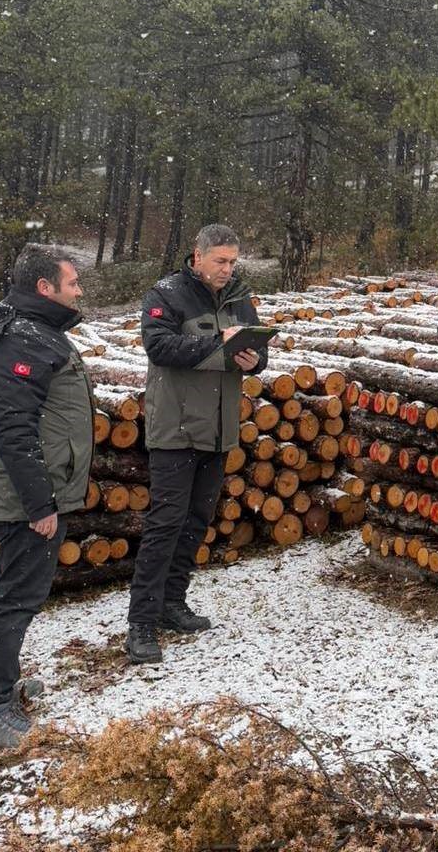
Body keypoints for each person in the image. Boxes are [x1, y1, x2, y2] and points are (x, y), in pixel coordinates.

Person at [0, 248, 93, 747]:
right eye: (72, 282)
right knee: (17, 597)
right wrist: (40, 504)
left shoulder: (34, 332)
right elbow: (15, 432)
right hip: (28, 497)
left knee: (5, 591)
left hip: (32, 490)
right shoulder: (21, 338)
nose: (78, 290)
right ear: (45, 287)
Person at [126, 224, 268, 664]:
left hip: (220, 427)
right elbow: (159, 347)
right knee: (164, 524)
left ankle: (172, 604)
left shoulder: (239, 296)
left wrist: (255, 358)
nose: (227, 269)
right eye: (220, 261)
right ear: (198, 256)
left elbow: (259, 353)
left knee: (195, 520)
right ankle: (141, 624)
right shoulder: (167, 294)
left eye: (232, 262)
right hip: (177, 426)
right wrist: (215, 343)